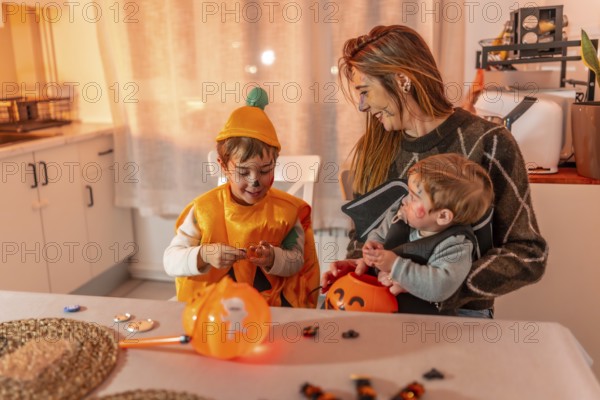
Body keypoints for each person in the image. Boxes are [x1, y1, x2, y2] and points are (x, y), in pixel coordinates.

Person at [322, 25, 547, 317]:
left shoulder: (489, 143)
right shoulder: (372, 149)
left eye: (365, 91)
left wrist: (440, 286)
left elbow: (529, 255)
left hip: (458, 317)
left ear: (402, 79)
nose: (362, 106)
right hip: (379, 309)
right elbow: (363, 238)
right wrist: (357, 264)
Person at [164, 87, 320, 308]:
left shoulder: (286, 212)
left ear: (274, 163)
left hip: (269, 307)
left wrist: (273, 258)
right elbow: (170, 261)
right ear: (223, 166)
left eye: (265, 171)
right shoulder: (204, 212)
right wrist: (204, 254)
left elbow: (297, 262)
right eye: (244, 172)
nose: (255, 181)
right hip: (215, 308)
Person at [356, 153, 494, 315]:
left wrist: (396, 267)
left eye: (413, 198)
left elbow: (441, 286)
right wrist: (371, 250)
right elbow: (379, 235)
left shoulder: (455, 245)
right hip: (379, 307)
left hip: (423, 322)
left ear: (442, 216)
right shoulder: (399, 214)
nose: (404, 200)